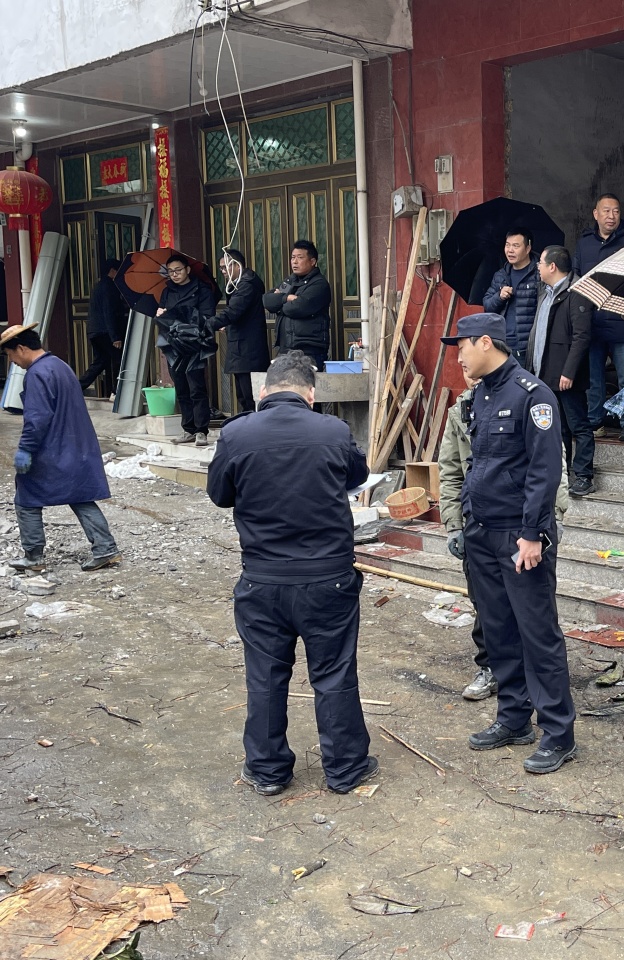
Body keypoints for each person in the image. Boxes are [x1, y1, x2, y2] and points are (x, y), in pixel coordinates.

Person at [206, 351, 378, 797]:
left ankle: (267, 771)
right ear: (311, 395)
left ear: (264, 391)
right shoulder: (333, 430)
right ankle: (345, 768)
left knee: (265, 675)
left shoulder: (236, 433)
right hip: (328, 578)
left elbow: (220, 495)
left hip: (263, 578)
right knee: (334, 673)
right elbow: (356, 477)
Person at [441, 313, 576, 774]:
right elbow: (473, 464)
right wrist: (464, 520)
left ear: (485, 342)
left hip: (520, 537)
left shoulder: (532, 396)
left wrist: (532, 534)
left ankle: (558, 733)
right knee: (498, 631)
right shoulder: (479, 396)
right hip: (482, 532)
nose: (458, 356)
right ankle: (514, 718)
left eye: (462, 346)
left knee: (537, 635)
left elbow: (544, 470)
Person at [440, 373, 572, 701]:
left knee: (534, 612)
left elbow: (551, 467)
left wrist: (551, 520)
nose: (465, 366)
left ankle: (544, 690)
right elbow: (451, 471)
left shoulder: (527, 399)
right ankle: (492, 670)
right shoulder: (461, 410)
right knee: (488, 609)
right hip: (479, 524)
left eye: (468, 353)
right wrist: (454, 524)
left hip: (522, 525)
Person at [3, 324, 121, 572]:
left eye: (10, 355)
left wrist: (25, 449)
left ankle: (34, 557)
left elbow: (36, 419)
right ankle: (105, 548)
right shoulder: (59, 365)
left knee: (26, 498)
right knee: (80, 497)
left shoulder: (36, 373)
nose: (12, 361)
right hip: (76, 447)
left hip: (53, 449)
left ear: (21, 348)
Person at [573, 193, 624, 440]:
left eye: (616, 211)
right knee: (594, 377)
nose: (611, 216)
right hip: (592, 321)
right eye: (606, 211)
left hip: (622, 321)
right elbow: (577, 279)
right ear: (596, 214)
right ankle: (595, 420)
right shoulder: (584, 244)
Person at [529, 244, 595, 497]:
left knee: (578, 425)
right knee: (558, 427)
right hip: (546, 372)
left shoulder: (576, 292)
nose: (538, 267)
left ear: (552, 266)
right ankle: (563, 472)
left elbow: (581, 337)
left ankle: (584, 475)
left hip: (567, 375)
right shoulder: (544, 292)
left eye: (541, 263)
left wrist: (569, 372)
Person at [155, 254, 218, 446]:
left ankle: (201, 430)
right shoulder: (167, 291)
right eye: (170, 271)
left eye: (178, 270)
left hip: (194, 344)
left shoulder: (202, 290)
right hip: (173, 346)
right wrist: (160, 314)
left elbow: (207, 317)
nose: (174, 274)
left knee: (196, 388)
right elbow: (163, 319)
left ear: (188, 270)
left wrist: (178, 317)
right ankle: (188, 428)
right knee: (181, 388)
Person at [209, 248, 270, 414]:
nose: (223, 271)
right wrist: (227, 326)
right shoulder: (238, 284)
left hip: (248, 349)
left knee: (250, 396)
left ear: (237, 265)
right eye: (221, 268)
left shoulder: (247, 285)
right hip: (240, 347)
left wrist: (208, 324)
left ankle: (253, 426)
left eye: (226, 267)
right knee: (243, 395)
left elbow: (233, 311)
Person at [263, 240, 332, 371]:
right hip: (286, 349)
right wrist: (287, 298)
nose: (294, 262)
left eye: (300, 257)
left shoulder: (319, 284)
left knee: (304, 382)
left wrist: (280, 302)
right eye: (293, 257)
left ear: (312, 261)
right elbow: (267, 301)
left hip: (308, 350)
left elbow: (296, 308)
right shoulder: (290, 281)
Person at [481, 229, 539, 365]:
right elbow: (487, 305)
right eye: (507, 245)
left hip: (528, 346)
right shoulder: (501, 275)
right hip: (502, 344)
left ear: (528, 248)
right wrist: (499, 297)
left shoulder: (538, 275)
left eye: (516, 246)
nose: (510, 250)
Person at [79, 259, 128, 396]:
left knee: (100, 362)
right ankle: (116, 391)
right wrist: (115, 337)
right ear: (112, 271)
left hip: (94, 331)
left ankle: (76, 386)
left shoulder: (99, 286)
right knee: (119, 359)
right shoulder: (109, 286)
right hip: (105, 331)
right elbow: (109, 311)